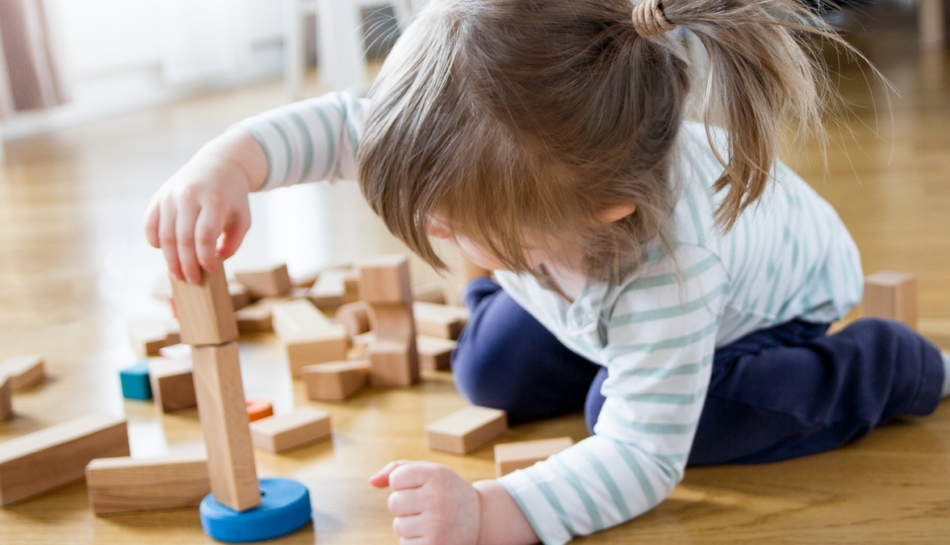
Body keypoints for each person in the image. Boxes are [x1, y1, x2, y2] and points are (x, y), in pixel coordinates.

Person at [144, 0, 950, 543]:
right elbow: (348, 129)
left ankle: (886, 366)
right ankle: (528, 285)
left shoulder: (671, 270)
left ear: (598, 216)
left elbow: (642, 458)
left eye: (459, 227)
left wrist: (492, 510)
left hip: (762, 313)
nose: (437, 233)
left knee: (629, 412)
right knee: (488, 368)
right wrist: (229, 164)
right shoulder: (494, 156)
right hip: (576, 285)